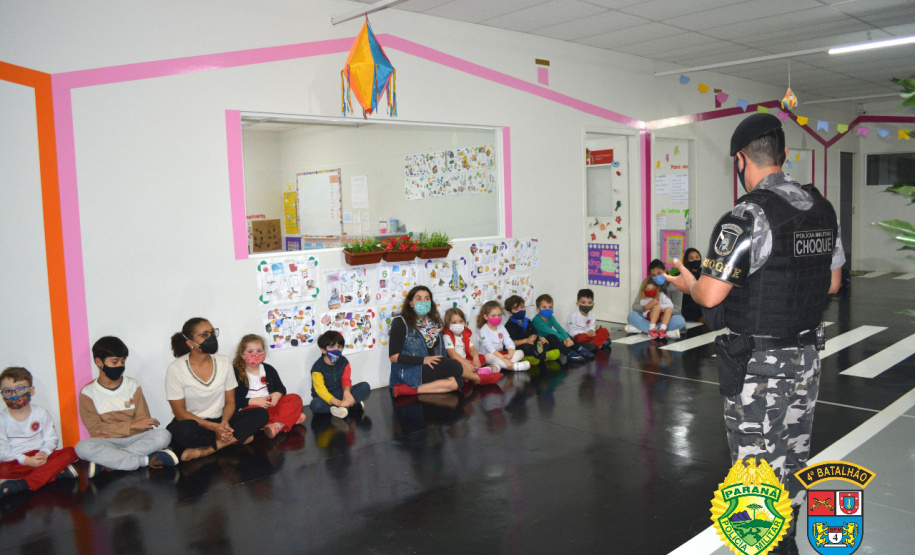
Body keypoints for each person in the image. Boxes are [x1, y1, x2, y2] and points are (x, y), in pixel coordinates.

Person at [665, 112, 844, 555]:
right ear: (783, 156)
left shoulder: (746, 215)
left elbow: (709, 295)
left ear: (741, 160)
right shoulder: (821, 207)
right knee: (793, 459)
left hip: (759, 369)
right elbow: (834, 283)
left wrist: (688, 283)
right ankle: (790, 543)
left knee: (755, 472)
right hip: (805, 360)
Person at [166, 318, 269, 461]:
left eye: (213, 333)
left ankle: (209, 449)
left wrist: (223, 424)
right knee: (183, 432)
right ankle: (235, 438)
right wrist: (214, 428)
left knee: (261, 414)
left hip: (222, 419)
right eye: (204, 335)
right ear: (190, 343)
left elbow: (230, 402)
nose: (211, 338)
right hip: (196, 424)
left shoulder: (224, 361)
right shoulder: (176, 369)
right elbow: (180, 413)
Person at [75, 336, 177, 478]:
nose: (120, 366)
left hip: (135, 438)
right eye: (115, 362)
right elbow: (96, 429)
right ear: (99, 362)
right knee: (82, 448)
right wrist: (132, 425)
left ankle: (109, 462)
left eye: (122, 362)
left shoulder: (132, 385)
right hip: (108, 442)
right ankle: (145, 460)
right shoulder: (88, 393)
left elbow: (144, 423)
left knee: (163, 435)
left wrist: (118, 429)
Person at [0, 367, 79, 498]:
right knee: (2, 469)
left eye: (20, 388)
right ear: (2, 394)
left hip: (41, 457)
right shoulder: (2, 419)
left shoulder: (41, 413)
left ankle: (24, 484)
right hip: (17, 461)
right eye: (8, 391)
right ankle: (55, 473)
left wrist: (44, 453)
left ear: (31, 391)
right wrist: (26, 460)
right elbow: (2, 452)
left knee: (71, 452)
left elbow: (51, 440)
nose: (14, 394)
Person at [388, 286, 465, 397]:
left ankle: (408, 390)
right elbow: (393, 357)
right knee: (457, 367)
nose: (423, 302)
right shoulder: (400, 322)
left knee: (458, 382)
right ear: (411, 303)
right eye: (419, 299)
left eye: (427, 298)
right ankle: (478, 378)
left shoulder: (434, 322)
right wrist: (424, 360)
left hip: (431, 368)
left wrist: (446, 367)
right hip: (410, 371)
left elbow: (442, 353)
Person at [232, 334, 306, 438]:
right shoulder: (236, 372)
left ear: (264, 352)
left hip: (270, 405)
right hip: (253, 409)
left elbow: (281, 388)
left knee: (295, 398)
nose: (255, 354)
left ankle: (276, 424)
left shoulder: (268, 369)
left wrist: (277, 394)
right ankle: (288, 419)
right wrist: (253, 401)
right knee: (260, 415)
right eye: (250, 351)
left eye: (259, 351)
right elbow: (234, 401)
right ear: (241, 354)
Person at [309, 330, 371, 419]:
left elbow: (346, 380)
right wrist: (338, 403)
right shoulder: (317, 368)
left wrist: (347, 392)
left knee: (365, 386)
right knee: (315, 405)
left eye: (339, 347)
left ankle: (343, 407)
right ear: (323, 350)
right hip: (324, 398)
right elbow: (321, 390)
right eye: (332, 347)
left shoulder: (344, 362)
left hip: (340, 393)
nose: (336, 350)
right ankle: (351, 405)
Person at [442, 307, 503, 385]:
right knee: (457, 365)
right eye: (454, 322)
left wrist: (476, 358)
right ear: (448, 324)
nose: (458, 324)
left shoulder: (464, 334)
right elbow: (452, 354)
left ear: (464, 321)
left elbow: (472, 349)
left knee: (481, 357)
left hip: (467, 360)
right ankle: (476, 373)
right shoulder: (447, 336)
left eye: (461, 321)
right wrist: (466, 363)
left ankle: (475, 371)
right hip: (457, 362)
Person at [626, 259, 684, 339]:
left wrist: (659, 309)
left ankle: (647, 330)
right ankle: (663, 332)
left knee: (680, 321)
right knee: (631, 316)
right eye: (653, 275)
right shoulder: (647, 285)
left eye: (659, 273)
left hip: (666, 318)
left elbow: (677, 309)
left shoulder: (676, 285)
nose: (657, 277)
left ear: (665, 270)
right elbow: (635, 306)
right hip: (649, 318)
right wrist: (646, 307)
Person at [531, 294, 593, 362]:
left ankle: (580, 349)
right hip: (542, 343)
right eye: (544, 307)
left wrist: (568, 338)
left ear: (553, 309)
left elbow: (559, 328)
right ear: (538, 310)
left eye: (550, 307)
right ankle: (569, 353)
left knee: (564, 333)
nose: (547, 309)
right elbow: (550, 331)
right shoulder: (536, 320)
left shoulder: (551, 317)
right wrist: (563, 339)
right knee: (553, 336)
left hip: (551, 342)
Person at [503, 295, 561, 366]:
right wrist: (526, 340)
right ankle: (542, 356)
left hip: (533, 343)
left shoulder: (528, 321)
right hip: (521, 346)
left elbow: (534, 333)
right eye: (516, 309)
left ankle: (537, 355)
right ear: (510, 313)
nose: (521, 310)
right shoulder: (509, 326)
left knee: (550, 339)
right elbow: (511, 343)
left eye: (522, 307)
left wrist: (539, 338)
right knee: (526, 347)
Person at [475, 301, 531, 372]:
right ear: (486, 317)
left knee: (520, 352)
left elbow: (509, 341)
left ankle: (498, 366)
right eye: (493, 316)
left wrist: (510, 354)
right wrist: (505, 360)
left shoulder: (501, 327)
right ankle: (514, 366)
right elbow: (490, 349)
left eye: (499, 315)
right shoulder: (483, 330)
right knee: (488, 356)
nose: (497, 317)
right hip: (489, 355)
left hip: (500, 355)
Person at [566, 289, 611, 353]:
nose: (586, 305)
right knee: (580, 338)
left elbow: (592, 326)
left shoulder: (592, 315)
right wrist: (586, 333)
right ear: (577, 304)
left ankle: (592, 345)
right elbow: (571, 332)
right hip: (579, 336)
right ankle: (599, 343)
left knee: (604, 331)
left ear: (593, 304)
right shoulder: (573, 316)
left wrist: (591, 331)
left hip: (589, 335)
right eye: (583, 302)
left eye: (589, 303)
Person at [679, 248, 704, 322]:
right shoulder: (682, 275)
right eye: (691, 258)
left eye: (697, 257)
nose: (695, 260)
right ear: (687, 260)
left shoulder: (704, 273)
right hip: (688, 306)